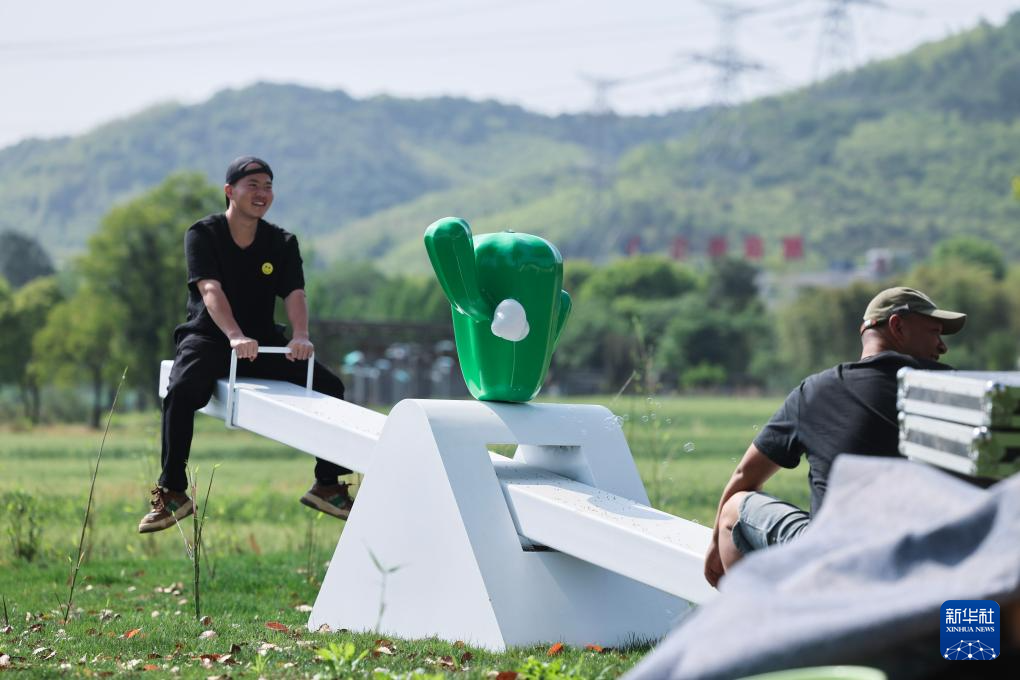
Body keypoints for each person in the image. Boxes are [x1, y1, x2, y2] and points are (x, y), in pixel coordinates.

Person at [139, 156, 355, 533]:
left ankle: (327, 484)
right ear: (230, 191)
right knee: (182, 392)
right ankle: (172, 491)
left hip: (261, 342)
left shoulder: (282, 242)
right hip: (210, 337)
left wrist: (300, 336)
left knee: (330, 386)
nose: (262, 193)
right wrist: (234, 335)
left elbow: (295, 293)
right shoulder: (203, 234)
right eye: (252, 185)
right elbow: (210, 289)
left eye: (268, 186)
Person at [703, 286, 966, 587]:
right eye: (935, 332)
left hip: (833, 565)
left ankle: (760, 615)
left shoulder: (816, 391)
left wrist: (714, 543)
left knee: (734, 509)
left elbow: (744, 475)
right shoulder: (955, 392)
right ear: (897, 326)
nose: (942, 347)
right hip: (927, 563)